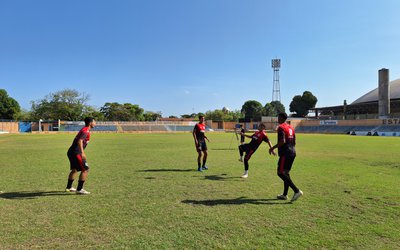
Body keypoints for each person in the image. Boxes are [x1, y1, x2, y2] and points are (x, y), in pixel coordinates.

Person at [269, 113, 303, 202]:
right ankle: (284, 195)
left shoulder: (281, 127)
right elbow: (294, 141)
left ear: (282, 118)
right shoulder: (291, 127)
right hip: (292, 152)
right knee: (286, 173)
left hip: (285, 153)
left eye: (278, 118)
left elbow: (282, 141)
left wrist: (272, 148)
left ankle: (297, 190)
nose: (278, 119)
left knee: (280, 172)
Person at [65, 117, 96, 195]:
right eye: (94, 122)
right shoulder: (85, 130)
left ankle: (69, 187)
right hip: (76, 152)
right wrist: (82, 152)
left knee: (75, 169)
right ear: (90, 123)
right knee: (85, 169)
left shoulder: (85, 129)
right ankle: (79, 189)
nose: (95, 123)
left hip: (71, 152)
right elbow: (80, 141)